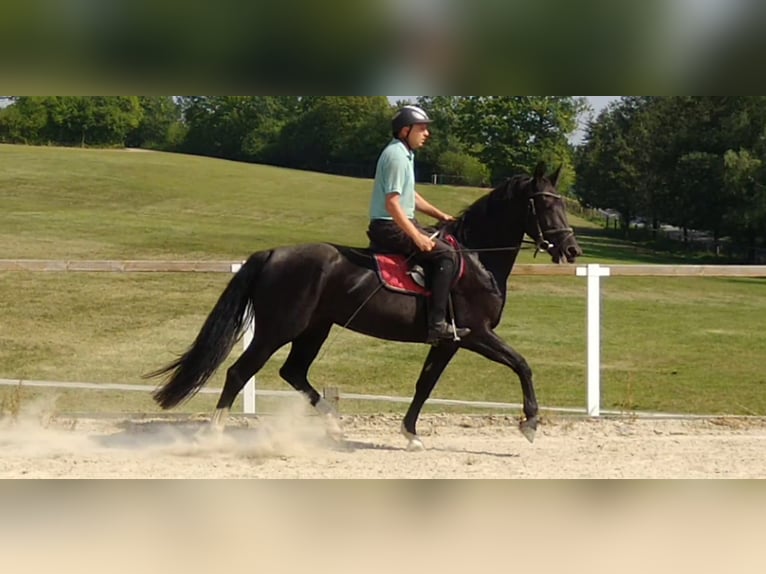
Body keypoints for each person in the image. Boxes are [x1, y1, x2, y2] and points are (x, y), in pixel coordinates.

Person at [367, 105, 471, 344]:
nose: (427, 134)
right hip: (388, 227)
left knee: (445, 242)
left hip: (398, 221)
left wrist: (441, 215)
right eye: (422, 128)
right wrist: (417, 236)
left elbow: (410, 195)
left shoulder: (405, 153)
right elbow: (393, 204)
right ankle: (436, 325)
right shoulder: (395, 157)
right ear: (405, 131)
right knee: (446, 255)